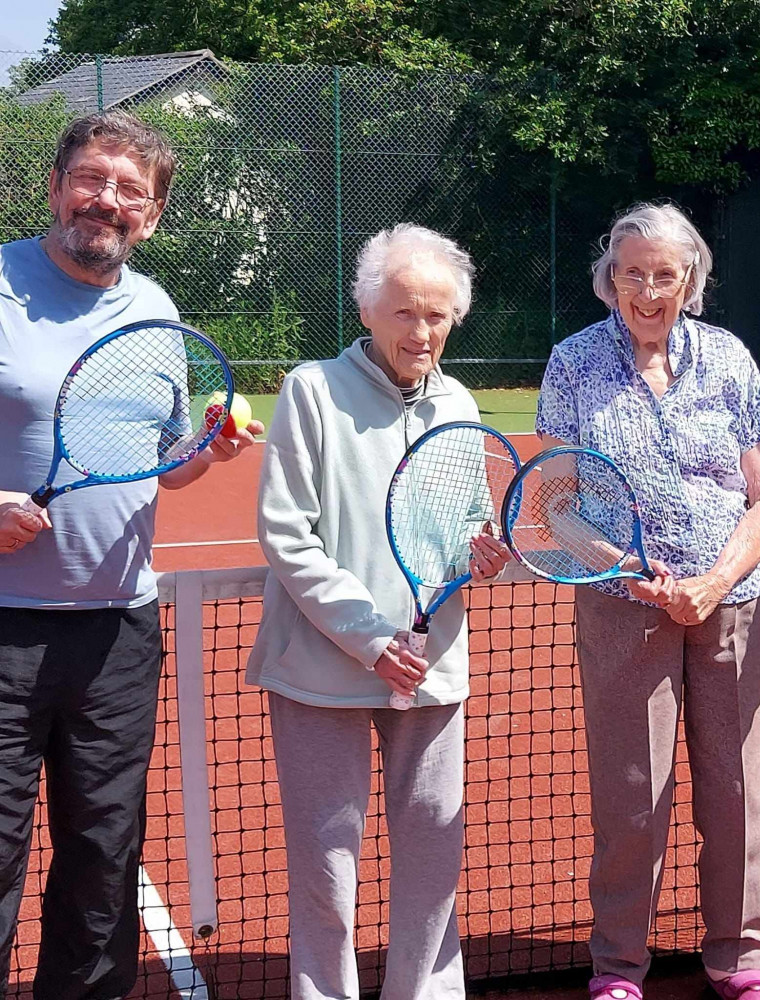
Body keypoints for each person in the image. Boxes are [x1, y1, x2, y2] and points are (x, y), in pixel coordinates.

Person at [0, 110, 263, 998]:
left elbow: (163, 466)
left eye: (130, 192)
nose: (106, 202)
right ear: (56, 186)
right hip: (1, 631)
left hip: (117, 633)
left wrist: (209, 449)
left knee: (103, 860)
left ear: (150, 217)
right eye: (93, 179)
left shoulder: (156, 311)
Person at [246, 223, 509, 1000]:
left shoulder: (461, 403)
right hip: (321, 670)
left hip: (432, 669)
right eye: (404, 312)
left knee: (434, 856)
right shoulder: (311, 391)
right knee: (327, 868)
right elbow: (287, 532)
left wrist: (478, 551)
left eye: (435, 315)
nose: (420, 331)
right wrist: (369, 638)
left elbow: (464, 524)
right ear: (369, 311)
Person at [535, 203, 760, 1000]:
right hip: (623, 606)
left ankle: (738, 960)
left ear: (690, 282)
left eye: (665, 275)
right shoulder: (573, 362)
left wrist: (713, 581)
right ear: (610, 279)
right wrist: (625, 568)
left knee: (740, 790)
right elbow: (557, 503)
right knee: (633, 791)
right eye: (631, 272)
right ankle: (618, 965)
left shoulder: (729, 360)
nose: (648, 289)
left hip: (734, 601)